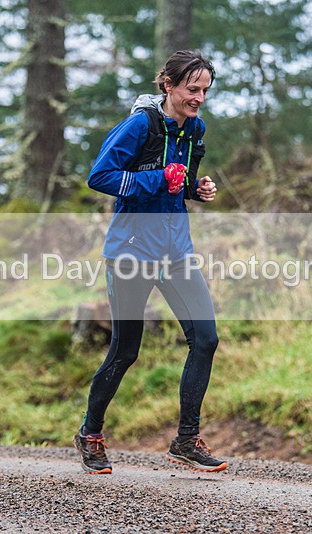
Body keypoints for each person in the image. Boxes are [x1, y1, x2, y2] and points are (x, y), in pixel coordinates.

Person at [73, 50, 226, 475]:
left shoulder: (196, 130)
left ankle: (185, 440)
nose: (199, 98)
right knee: (125, 351)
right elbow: (100, 177)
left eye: (205, 91)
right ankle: (91, 434)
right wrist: (158, 178)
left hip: (176, 252)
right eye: (192, 89)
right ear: (169, 86)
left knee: (206, 339)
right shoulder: (139, 124)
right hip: (131, 252)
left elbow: (178, 185)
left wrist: (197, 188)